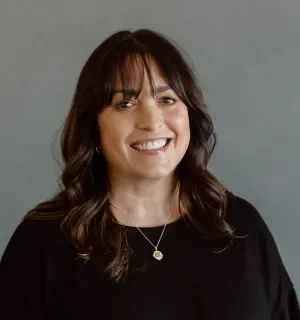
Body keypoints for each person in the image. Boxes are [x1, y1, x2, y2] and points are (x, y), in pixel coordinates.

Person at [0, 29, 299, 320]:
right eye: (125, 104)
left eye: (167, 100)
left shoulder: (239, 224)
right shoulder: (43, 242)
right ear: (94, 129)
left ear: (189, 115)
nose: (152, 121)